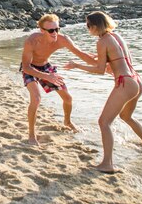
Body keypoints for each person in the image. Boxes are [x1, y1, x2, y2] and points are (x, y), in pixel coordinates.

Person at [65, 11, 142, 173]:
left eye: (88, 25)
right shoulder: (116, 36)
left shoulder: (102, 42)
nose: (87, 28)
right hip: (136, 80)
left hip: (124, 83)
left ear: (96, 26)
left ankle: (107, 164)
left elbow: (100, 70)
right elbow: (114, 60)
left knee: (103, 122)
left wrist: (77, 65)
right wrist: (90, 58)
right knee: (126, 116)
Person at [20, 13, 95, 146]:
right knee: (36, 99)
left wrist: (102, 63)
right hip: (30, 68)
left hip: (45, 67)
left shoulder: (63, 39)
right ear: (42, 31)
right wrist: (47, 76)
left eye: (57, 29)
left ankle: (67, 121)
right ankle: (32, 135)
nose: (54, 33)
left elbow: (81, 54)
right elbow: (26, 67)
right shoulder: (32, 41)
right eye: (50, 30)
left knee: (68, 98)